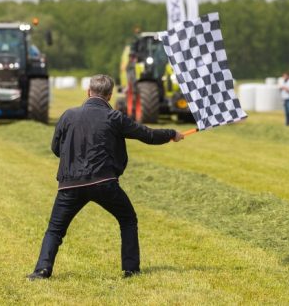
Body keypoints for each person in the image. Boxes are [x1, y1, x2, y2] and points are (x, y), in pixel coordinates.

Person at [27, 74, 184, 280]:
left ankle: (41, 271)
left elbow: (56, 148)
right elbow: (148, 135)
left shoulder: (67, 116)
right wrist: (172, 133)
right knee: (127, 219)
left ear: (88, 91)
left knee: (55, 230)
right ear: (110, 95)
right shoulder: (115, 118)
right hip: (104, 183)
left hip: (69, 184)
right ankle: (131, 269)